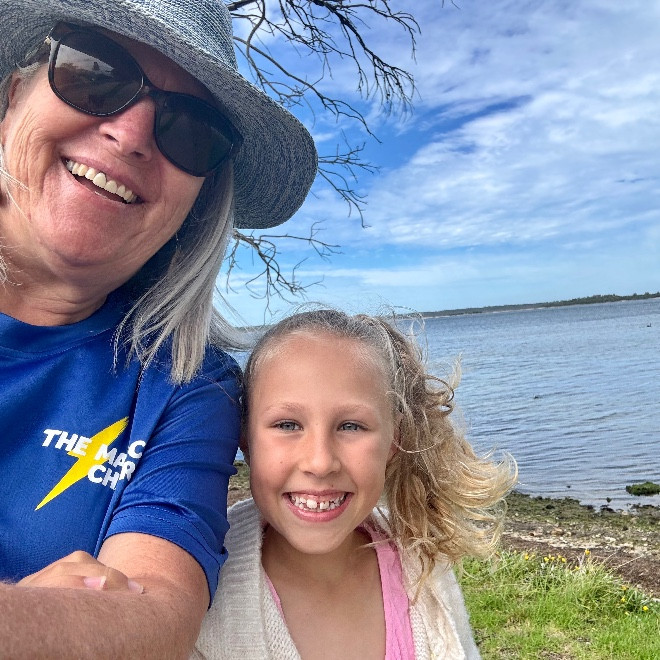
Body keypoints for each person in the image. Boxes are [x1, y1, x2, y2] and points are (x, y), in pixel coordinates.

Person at [0, 0, 316, 656]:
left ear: (200, 198)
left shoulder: (187, 385)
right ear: (12, 98)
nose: (132, 133)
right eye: (95, 72)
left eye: (191, 129)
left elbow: (155, 618)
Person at [194, 309, 517, 659]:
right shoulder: (198, 590)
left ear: (394, 440)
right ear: (244, 437)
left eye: (351, 426)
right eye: (287, 425)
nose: (320, 462)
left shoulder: (423, 562)